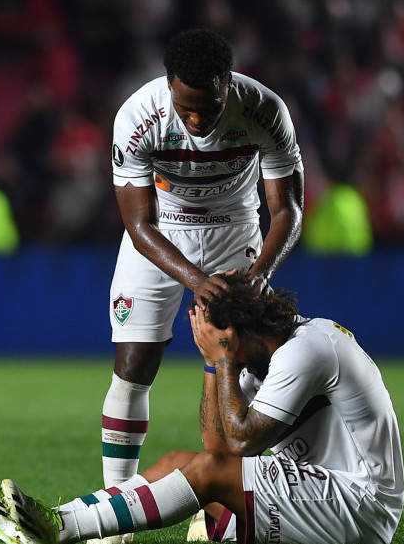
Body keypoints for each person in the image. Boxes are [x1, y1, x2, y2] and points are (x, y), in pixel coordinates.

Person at [0, 272, 404, 544]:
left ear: (237, 330)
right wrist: (213, 361)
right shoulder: (258, 358)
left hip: (361, 506)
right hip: (322, 498)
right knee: (182, 463)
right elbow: (217, 447)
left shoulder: (308, 348)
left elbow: (238, 440)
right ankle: (56, 519)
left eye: (215, 337)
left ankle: (57, 532)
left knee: (206, 471)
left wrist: (220, 358)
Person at [97, 28, 304, 541]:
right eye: (186, 108)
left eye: (208, 107)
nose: (196, 119)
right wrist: (196, 281)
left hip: (236, 228)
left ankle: (224, 502)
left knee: (252, 362)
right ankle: (117, 518)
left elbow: (288, 209)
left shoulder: (264, 110)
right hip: (162, 233)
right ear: (169, 85)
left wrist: (259, 277)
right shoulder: (137, 117)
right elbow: (138, 224)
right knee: (133, 365)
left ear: (228, 85)